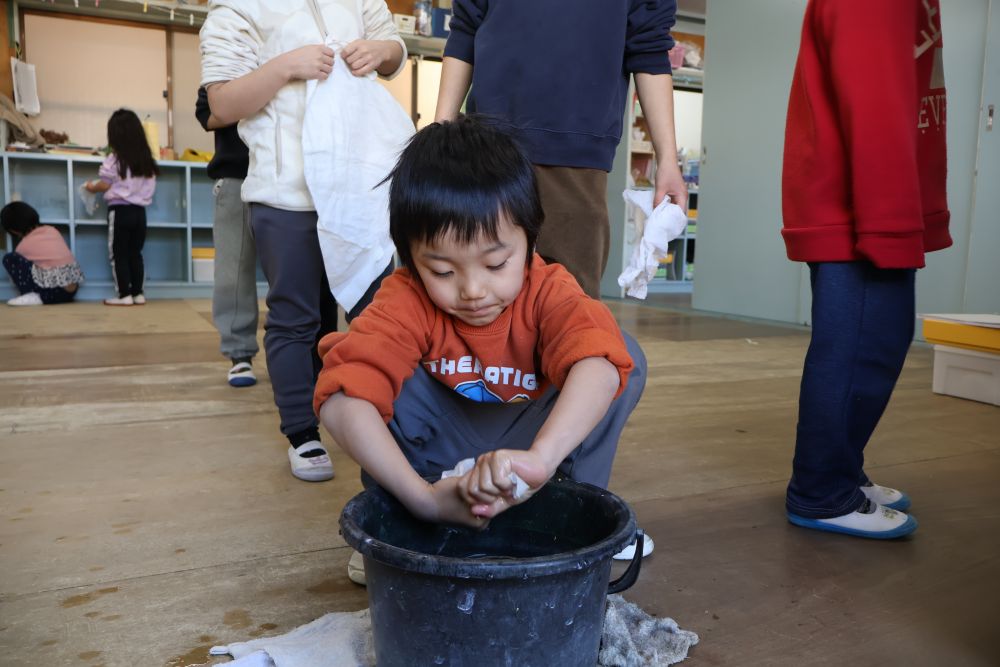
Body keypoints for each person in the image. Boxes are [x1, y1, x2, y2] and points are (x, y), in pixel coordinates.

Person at [315, 118, 650, 583]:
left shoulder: (548, 288)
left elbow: (600, 362)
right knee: (355, 374)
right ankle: (399, 522)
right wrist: (423, 500)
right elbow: (338, 400)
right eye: (442, 271)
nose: (473, 290)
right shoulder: (404, 296)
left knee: (616, 357)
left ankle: (571, 512)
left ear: (530, 240)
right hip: (435, 460)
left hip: (532, 449)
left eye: (496, 264)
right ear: (410, 258)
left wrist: (539, 461)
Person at [200, 0, 406, 482]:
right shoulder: (236, 7)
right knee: (295, 316)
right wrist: (284, 67)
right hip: (285, 192)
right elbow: (220, 105)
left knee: (379, 315)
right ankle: (302, 431)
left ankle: (391, 417)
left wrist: (380, 51)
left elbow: (395, 50)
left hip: (358, 188)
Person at [781, 0, 950, 539]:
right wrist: (890, 223)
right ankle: (821, 491)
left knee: (875, 342)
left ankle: (840, 472)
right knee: (856, 349)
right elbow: (874, 103)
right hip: (859, 207)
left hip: (868, 203)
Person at [434, 0, 688, 299]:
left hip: (575, 160)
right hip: (486, 151)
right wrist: (438, 136)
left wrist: (668, 160)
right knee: (474, 297)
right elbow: (465, 31)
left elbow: (649, 50)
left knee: (569, 304)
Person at [195, 86, 259, 388]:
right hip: (236, 175)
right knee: (233, 271)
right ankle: (239, 353)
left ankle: (299, 350)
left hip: (285, 175)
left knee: (293, 271)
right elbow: (207, 114)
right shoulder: (223, 67)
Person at [84, 108, 158, 307]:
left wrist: (91, 187)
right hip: (140, 213)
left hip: (120, 212)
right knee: (135, 253)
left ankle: (124, 294)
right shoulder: (146, 161)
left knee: (118, 253)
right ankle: (138, 293)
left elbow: (105, 184)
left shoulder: (114, 160)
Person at [2, 201, 84, 306]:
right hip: (72, 290)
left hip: (52, 294)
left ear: (14, 231)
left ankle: (32, 295)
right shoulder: (52, 230)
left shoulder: (24, 245)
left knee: (10, 259)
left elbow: (23, 271)